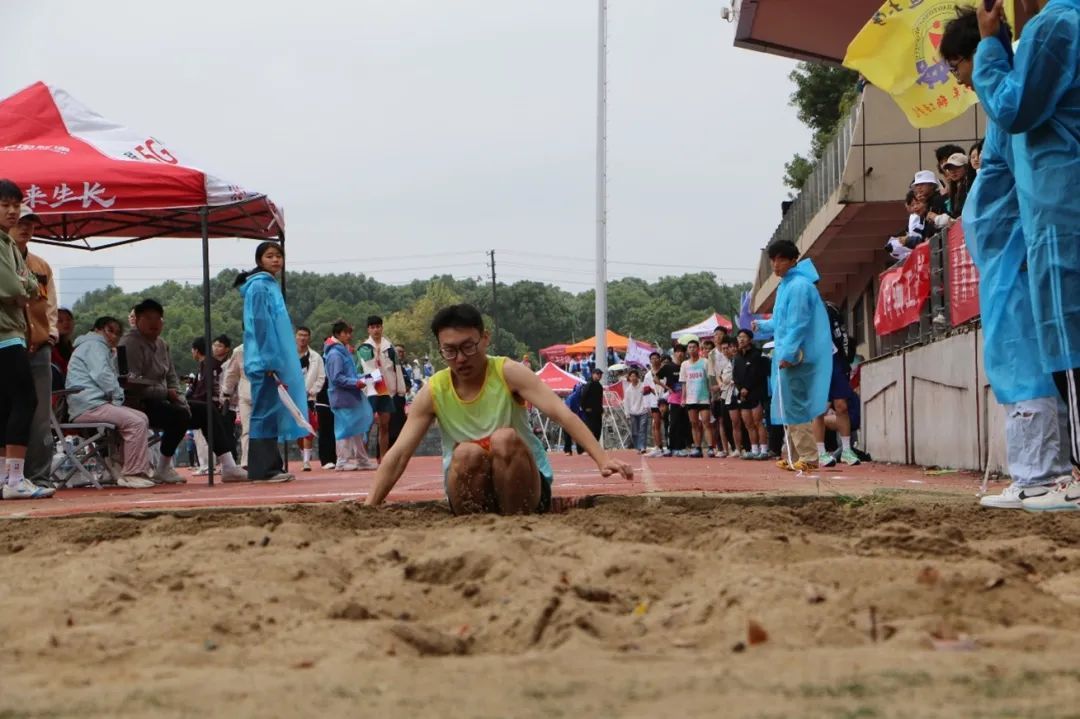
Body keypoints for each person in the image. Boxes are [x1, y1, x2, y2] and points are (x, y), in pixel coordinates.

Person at [942, 6, 1072, 509]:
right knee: (1016, 359)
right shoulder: (1006, 103)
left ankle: (1045, 472)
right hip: (1006, 258)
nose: (958, 78)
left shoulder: (1022, 86)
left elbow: (1028, 177)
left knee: (1028, 360)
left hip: (1020, 254)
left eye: (957, 65)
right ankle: (1031, 473)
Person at [365, 304, 632, 513]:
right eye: (450, 351)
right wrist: (369, 507)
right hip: (469, 491)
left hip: (524, 487)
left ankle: (516, 523)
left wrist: (602, 458)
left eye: (468, 347)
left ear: (485, 339)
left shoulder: (508, 373)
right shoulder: (433, 391)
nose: (460, 359)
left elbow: (561, 413)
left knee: (504, 439)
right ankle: (476, 526)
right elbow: (399, 454)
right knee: (466, 452)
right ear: (440, 349)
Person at [975, 0, 1080, 510]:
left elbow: (1014, 107)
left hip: (1061, 213)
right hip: (1055, 213)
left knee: (1071, 347)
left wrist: (989, 48)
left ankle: (1065, 473)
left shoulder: (1056, 24)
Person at [120, 300, 242, 484]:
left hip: (164, 399)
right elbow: (132, 383)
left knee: (206, 410)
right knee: (180, 415)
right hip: (137, 403)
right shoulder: (129, 343)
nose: (154, 323)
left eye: (158, 319)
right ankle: (163, 468)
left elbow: (171, 376)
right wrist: (166, 394)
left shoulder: (162, 344)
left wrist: (179, 397)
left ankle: (229, 466)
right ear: (136, 320)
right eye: (148, 318)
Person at [754, 241, 832, 472]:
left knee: (794, 404)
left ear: (792, 260)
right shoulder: (786, 285)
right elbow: (781, 321)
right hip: (788, 353)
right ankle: (794, 455)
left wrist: (788, 353)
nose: (775, 265)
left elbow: (799, 324)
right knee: (787, 404)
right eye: (773, 260)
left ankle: (808, 456)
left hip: (797, 355)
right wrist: (762, 326)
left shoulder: (798, 286)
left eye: (781, 259)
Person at [234, 242, 307, 483]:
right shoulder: (259, 287)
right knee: (263, 412)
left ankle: (272, 466)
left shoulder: (268, 284)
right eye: (269, 256)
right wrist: (268, 359)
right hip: (264, 360)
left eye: (278, 256)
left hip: (271, 359)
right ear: (259, 260)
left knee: (270, 412)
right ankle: (262, 469)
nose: (276, 260)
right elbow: (261, 325)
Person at [0, 180, 52, 499]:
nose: (12, 212)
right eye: (5, 205)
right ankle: (16, 479)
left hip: (14, 333)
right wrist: (20, 289)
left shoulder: (9, 245)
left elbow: (33, 288)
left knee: (6, 404)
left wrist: (21, 288)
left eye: (16, 205)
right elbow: (14, 289)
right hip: (6, 335)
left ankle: (5, 478)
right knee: (25, 400)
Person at [66, 317, 156, 488]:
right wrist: (118, 397)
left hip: (91, 403)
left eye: (118, 333)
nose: (114, 336)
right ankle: (132, 473)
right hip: (89, 405)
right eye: (110, 330)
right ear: (97, 329)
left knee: (141, 417)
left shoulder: (93, 346)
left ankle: (125, 467)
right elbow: (103, 375)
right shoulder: (94, 345)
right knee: (136, 422)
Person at [9, 206, 58, 483]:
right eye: (21, 222)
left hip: (38, 347)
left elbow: (50, 304)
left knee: (40, 415)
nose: (26, 228)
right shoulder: (3, 260)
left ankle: (38, 477)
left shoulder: (41, 266)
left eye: (31, 223)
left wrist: (50, 334)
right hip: (8, 344)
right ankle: (9, 477)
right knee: (7, 410)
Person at [813, 300, 862, 467]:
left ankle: (847, 451)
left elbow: (842, 334)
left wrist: (846, 358)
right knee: (819, 409)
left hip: (834, 360)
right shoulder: (802, 310)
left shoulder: (830, 308)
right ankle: (821, 453)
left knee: (842, 406)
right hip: (816, 362)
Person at [323, 321, 377, 471]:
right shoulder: (335, 354)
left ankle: (362, 459)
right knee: (344, 429)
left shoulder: (342, 351)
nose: (349, 336)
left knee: (356, 428)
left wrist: (366, 377)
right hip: (342, 397)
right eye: (346, 333)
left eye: (349, 333)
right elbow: (337, 378)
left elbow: (349, 375)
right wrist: (356, 382)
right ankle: (342, 461)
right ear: (338, 334)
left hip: (350, 395)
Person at [357, 316, 406, 460]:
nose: (376, 330)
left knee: (385, 425)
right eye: (372, 327)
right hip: (370, 389)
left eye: (378, 327)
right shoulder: (364, 347)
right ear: (368, 330)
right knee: (366, 426)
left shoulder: (390, 348)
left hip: (387, 390)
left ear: (382, 328)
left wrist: (400, 389)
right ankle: (363, 458)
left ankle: (383, 457)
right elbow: (363, 369)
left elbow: (397, 369)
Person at [732, 330, 769, 459]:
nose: (741, 339)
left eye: (744, 337)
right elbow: (735, 376)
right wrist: (740, 389)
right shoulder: (737, 357)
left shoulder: (757, 355)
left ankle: (764, 450)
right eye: (739, 337)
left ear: (750, 339)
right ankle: (754, 450)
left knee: (758, 421)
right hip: (743, 395)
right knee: (748, 423)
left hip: (756, 393)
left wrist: (747, 388)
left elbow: (758, 374)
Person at [296, 326, 325, 472]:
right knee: (296, 428)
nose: (303, 338)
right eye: (300, 335)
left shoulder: (315, 357)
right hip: (292, 396)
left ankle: (306, 461)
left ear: (309, 337)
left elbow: (321, 377)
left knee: (308, 425)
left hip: (308, 397)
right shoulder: (289, 356)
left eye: (305, 335)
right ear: (296, 337)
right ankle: (304, 452)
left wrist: (312, 391)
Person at [220, 343, 252, 468]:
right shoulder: (239, 350)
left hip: (265, 394)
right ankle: (247, 461)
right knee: (247, 429)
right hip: (246, 394)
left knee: (265, 428)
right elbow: (232, 373)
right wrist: (226, 392)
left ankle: (266, 459)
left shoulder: (268, 346)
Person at [680, 339, 713, 458]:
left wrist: (711, 395)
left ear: (698, 349)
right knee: (694, 424)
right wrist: (683, 398)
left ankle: (710, 448)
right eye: (690, 347)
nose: (692, 349)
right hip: (691, 398)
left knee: (706, 423)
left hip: (703, 397)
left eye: (694, 347)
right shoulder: (684, 365)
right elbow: (684, 383)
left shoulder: (705, 362)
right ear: (687, 350)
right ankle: (697, 448)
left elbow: (710, 380)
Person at [709, 330, 736, 458]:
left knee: (733, 420)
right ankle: (723, 448)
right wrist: (716, 388)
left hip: (732, 389)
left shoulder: (732, 352)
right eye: (715, 335)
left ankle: (737, 446)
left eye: (720, 334)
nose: (717, 337)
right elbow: (713, 373)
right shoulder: (712, 354)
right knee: (721, 420)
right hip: (718, 390)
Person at [643, 351, 665, 456]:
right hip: (654, 402)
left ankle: (671, 446)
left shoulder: (665, 371)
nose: (654, 360)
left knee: (668, 424)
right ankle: (658, 447)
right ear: (650, 361)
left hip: (665, 400)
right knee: (656, 424)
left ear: (660, 359)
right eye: (652, 359)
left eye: (656, 358)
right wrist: (647, 405)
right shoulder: (648, 375)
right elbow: (646, 390)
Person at [623, 368, 649, 453]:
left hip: (643, 411)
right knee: (634, 431)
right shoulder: (628, 390)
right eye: (631, 376)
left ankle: (642, 447)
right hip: (633, 413)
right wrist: (627, 414)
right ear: (629, 378)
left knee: (642, 429)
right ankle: (638, 447)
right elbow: (626, 402)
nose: (633, 378)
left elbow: (647, 397)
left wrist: (647, 407)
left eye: (634, 376)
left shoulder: (643, 386)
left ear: (638, 377)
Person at [941, 152, 974, 217]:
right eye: (950, 168)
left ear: (966, 167)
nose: (953, 171)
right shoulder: (953, 186)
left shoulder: (970, 185)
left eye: (957, 167)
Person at [51, 307, 75, 389]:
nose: (66, 323)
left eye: (69, 320)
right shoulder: (51, 349)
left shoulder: (72, 348)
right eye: (60, 321)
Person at [582, 368, 605, 443]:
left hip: (597, 411)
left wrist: (601, 409)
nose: (599, 375)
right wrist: (585, 408)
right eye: (597, 374)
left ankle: (595, 446)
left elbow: (600, 399)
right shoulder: (589, 384)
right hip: (590, 412)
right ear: (593, 374)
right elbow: (583, 397)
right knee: (590, 430)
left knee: (598, 430)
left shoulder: (599, 386)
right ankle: (589, 446)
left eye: (600, 374)